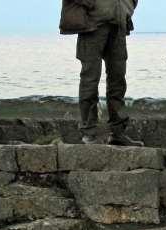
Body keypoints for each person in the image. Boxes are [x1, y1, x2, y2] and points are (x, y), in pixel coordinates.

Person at [60, 0, 144, 147]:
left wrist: (127, 7)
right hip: (92, 25)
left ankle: (118, 133)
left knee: (118, 80)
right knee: (90, 79)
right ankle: (89, 133)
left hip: (118, 24)